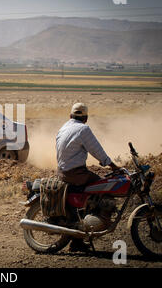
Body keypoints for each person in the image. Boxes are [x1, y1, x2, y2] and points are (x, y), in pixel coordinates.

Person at [56, 102, 119, 252]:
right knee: (104, 186)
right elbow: (96, 149)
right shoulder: (83, 129)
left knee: (91, 192)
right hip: (75, 173)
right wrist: (112, 166)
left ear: (70, 116)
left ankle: (78, 238)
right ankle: (96, 221)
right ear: (86, 118)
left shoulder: (64, 126)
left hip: (62, 171)